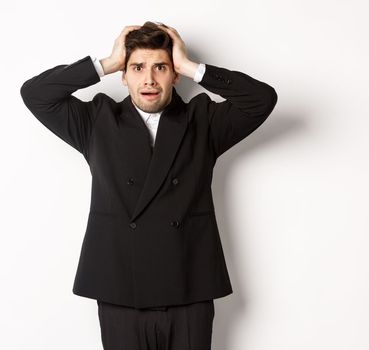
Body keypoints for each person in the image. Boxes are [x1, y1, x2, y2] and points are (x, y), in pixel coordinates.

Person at [20, 22, 278, 350]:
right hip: (121, 293)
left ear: (174, 75)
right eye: (137, 68)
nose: (149, 79)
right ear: (123, 75)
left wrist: (191, 66)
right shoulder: (96, 121)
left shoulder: (204, 121)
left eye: (161, 67)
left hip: (188, 289)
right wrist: (106, 63)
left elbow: (262, 99)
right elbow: (36, 94)